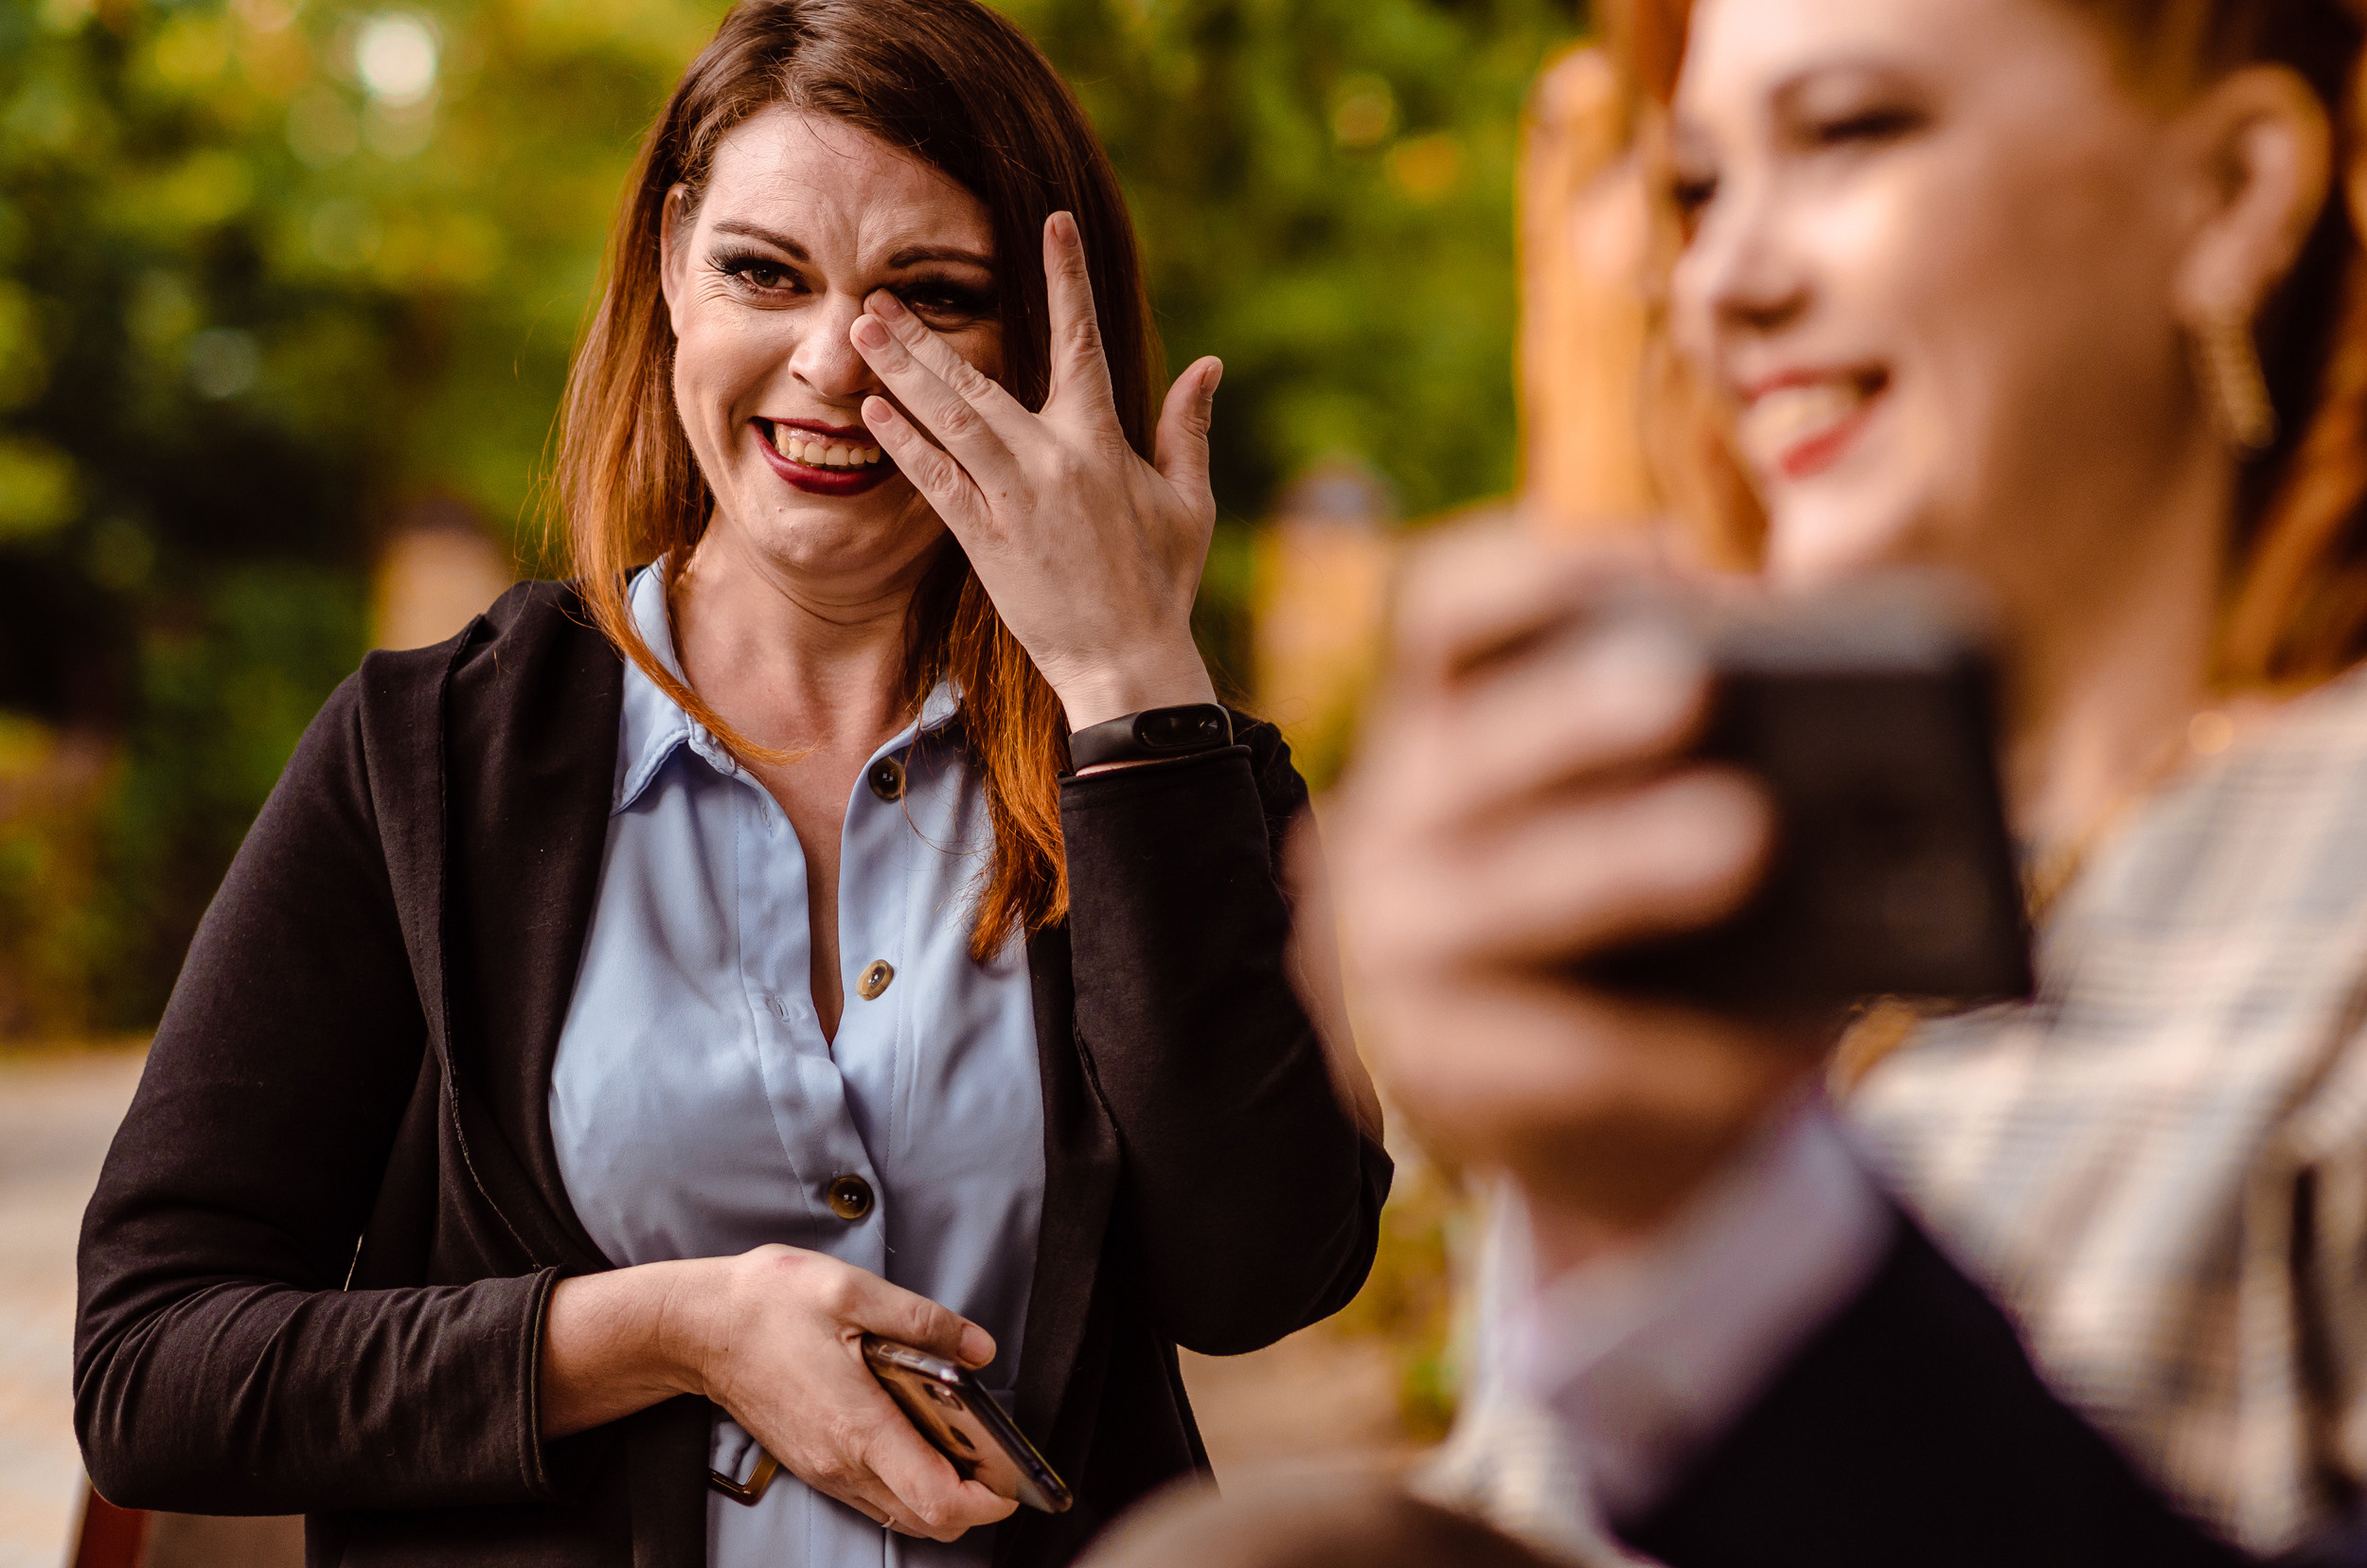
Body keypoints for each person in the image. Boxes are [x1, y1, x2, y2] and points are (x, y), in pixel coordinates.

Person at [71, 4, 1391, 1566]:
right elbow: (152, 1369)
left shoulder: (1163, 767)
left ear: (1041, 345)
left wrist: (1126, 678)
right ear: (670, 269)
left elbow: (1265, 1275)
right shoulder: (422, 761)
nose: (834, 365)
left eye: (932, 298)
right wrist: (669, 1331)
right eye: (765, 272)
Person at [1308, 0, 2367, 1560]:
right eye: (1698, 186)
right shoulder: (1742, 846)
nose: (1725, 281)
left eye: (1853, 131)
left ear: (2229, 193)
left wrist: (1724, 1255)